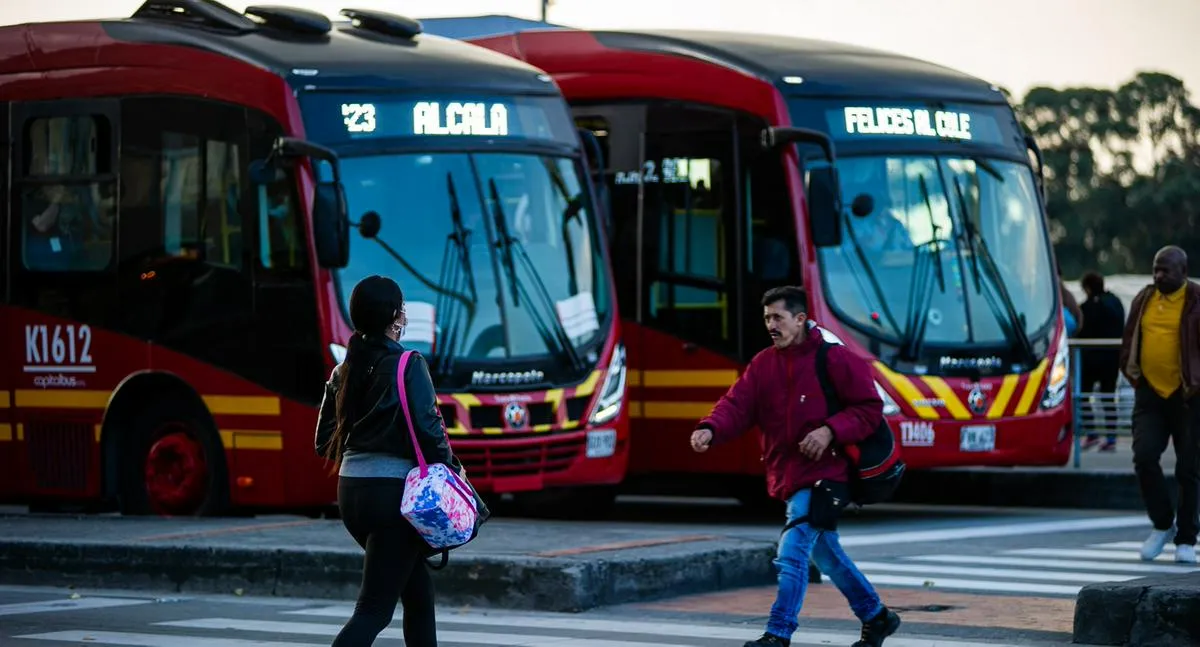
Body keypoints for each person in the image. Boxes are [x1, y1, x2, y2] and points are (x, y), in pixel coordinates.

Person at [690, 286, 901, 647]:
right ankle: (877, 617)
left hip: (826, 476)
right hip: (789, 475)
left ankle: (779, 633)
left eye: (778, 318)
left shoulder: (836, 359)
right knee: (828, 556)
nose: (771, 325)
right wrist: (710, 427)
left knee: (791, 555)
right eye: (767, 318)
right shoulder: (763, 364)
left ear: (800, 319)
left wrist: (830, 430)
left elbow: (868, 409)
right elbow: (737, 405)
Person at [315, 275, 467, 646]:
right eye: (402, 310)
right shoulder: (407, 364)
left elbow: (324, 442)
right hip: (393, 500)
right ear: (396, 317)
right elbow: (431, 431)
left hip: (351, 494)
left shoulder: (342, 371)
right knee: (373, 611)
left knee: (418, 595)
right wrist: (455, 469)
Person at [1119, 246, 1200, 564]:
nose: (1158, 275)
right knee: (1144, 457)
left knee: (1188, 469)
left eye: (1165, 270)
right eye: (1155, 269)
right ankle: (1164, 524)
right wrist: (1131, 371)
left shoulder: (1195, 300)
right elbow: (1130, 337)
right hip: (1150, 393)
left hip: (1188, 395)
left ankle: (1187, 539)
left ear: (1183, 270)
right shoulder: (1144, 297)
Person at [1078, 271, 1126, 451]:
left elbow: (1081, 330)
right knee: (1108, 398)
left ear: (1088, 288)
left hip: (1091, 359)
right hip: (1112, 358)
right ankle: (1111, 438)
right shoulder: (1115, 302)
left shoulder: (1087, 307)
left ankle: (1091, 434)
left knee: (1083, 396)